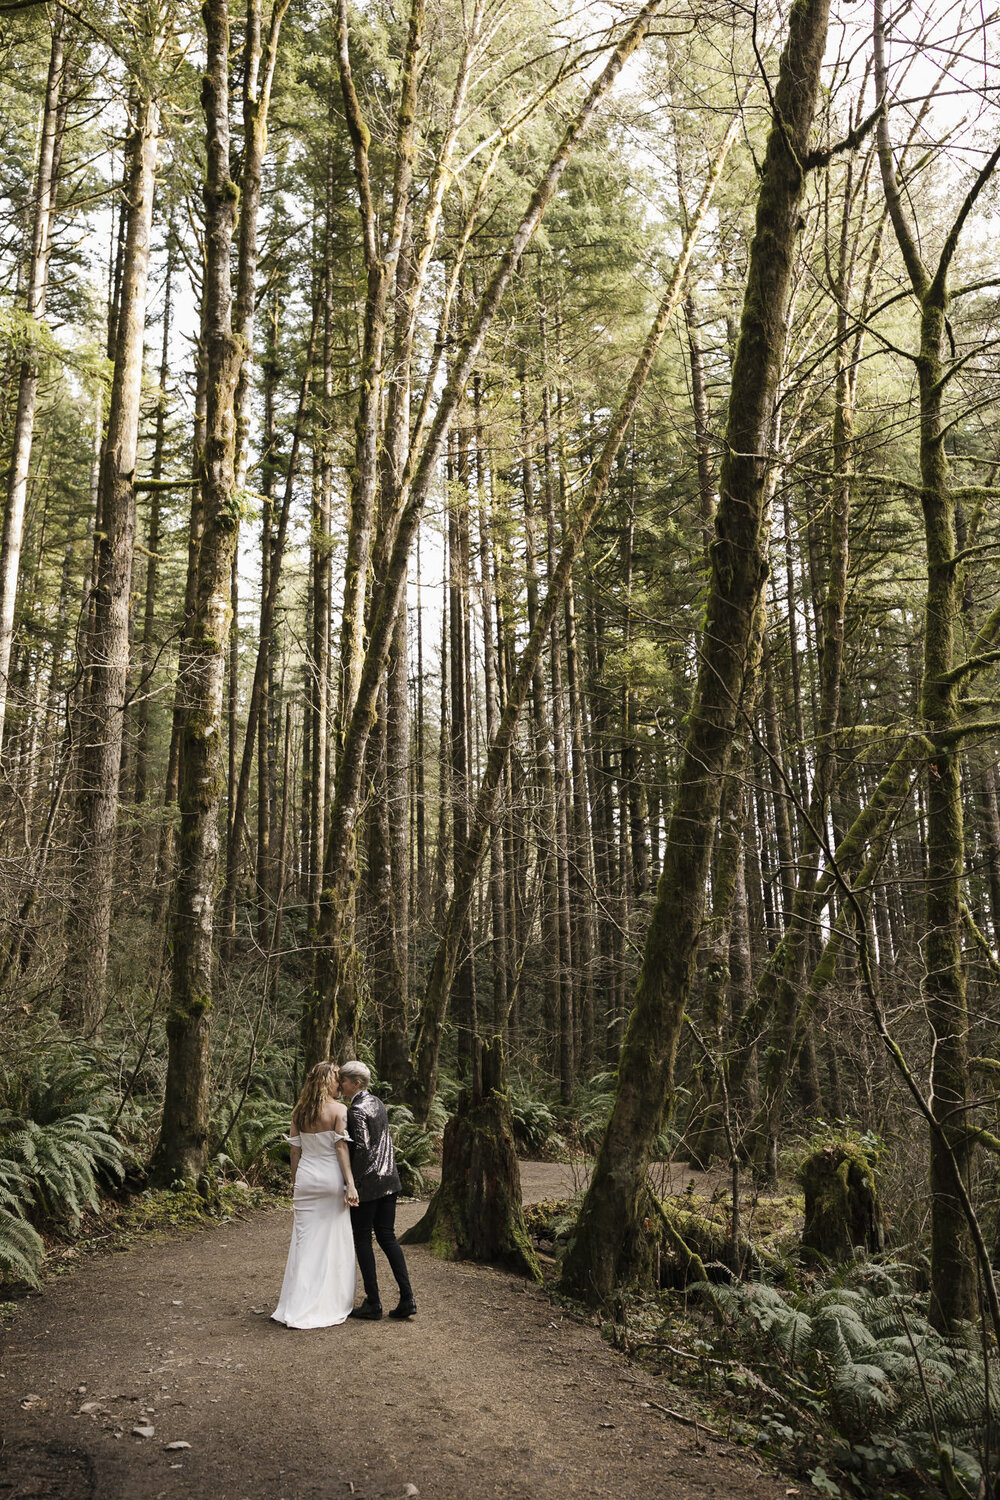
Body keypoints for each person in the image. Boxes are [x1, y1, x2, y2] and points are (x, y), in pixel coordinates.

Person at [272, 1061, 360, 1329]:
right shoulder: (339, 1110)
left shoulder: (299, 1112)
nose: (339, 1084)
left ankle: (296, 1303)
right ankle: (328, 1301)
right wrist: (351, 1184)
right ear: (327, 1082)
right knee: (333, 1242)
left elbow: (295, 1151)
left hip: (306, 1181)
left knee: (304, 1244)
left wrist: (295, 1180)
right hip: (330, 1180)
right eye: (336, 1080)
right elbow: (341, 1149)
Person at [339, 1060, 417, 1321]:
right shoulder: (378, 1102)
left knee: (362, 1238)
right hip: (390, 1181)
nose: (340, 1084)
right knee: (387, 1237)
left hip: (369, 1183)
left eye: (344, 1080)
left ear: (356, 1084)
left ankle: (373, 1302)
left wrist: (353, 1182)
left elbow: (361, 1148)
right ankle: (407, 1297)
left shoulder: (356, 1110)